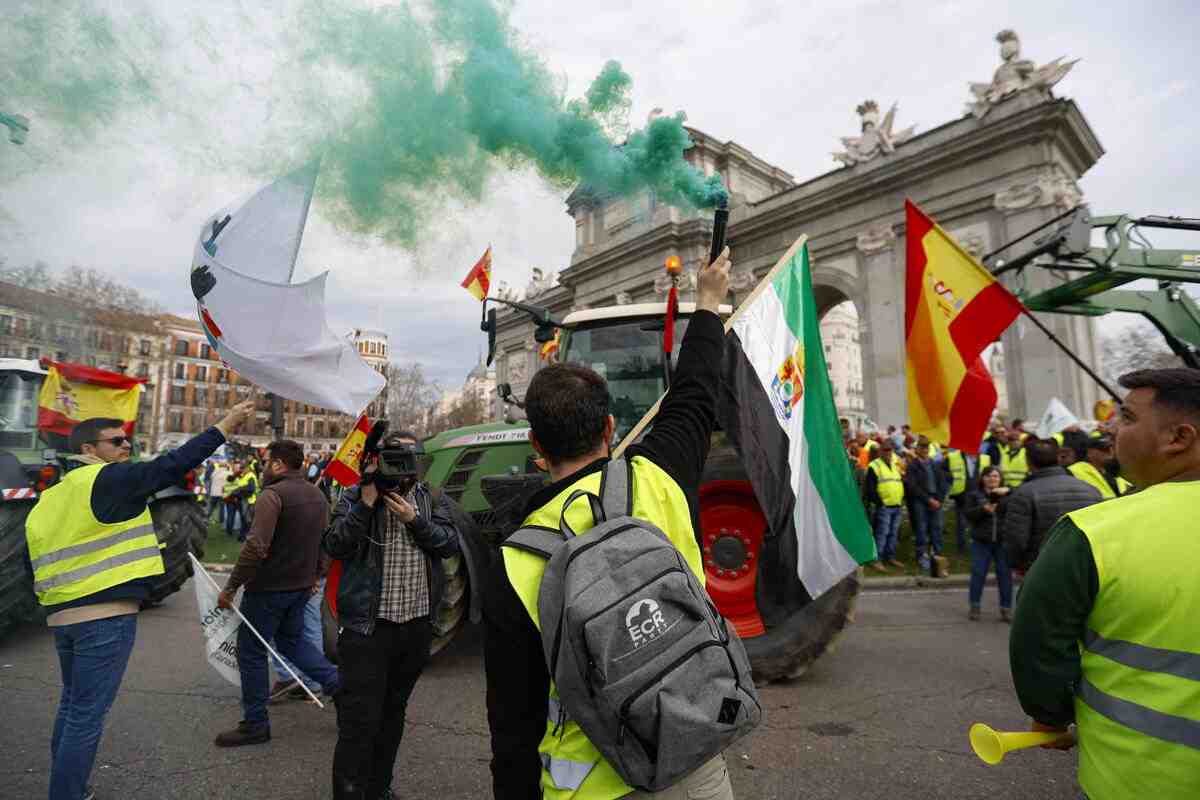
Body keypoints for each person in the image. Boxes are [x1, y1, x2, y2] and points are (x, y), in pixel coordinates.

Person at [485, 248, 734, 800]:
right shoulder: (658, 476)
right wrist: (709, 304)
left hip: (590, 784)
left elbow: (513, 718)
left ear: (535, 447)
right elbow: (694, 391)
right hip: (691, 754)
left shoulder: (513, 556)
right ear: (611, 426)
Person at [25, 400, 256, 800]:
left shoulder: (51, 496)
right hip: (104, 616)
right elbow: (170, 464)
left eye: (128, 439)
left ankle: (65, 788)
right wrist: (224, 425)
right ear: (88, 450)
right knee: (85, 716)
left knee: (73, 708)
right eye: (116, 441)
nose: (126, 446)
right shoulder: (107, 479)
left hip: (63, 616)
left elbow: (32, 562)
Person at [1010, 368, 1200, 799]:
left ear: (1179, 438)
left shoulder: (1090, 533)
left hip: (1135, 782)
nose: (1111, 428)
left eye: (1128, 418)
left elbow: (1037, 643)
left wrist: (1050, 718)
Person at [323, 429, 462, 800]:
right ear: (377, 461)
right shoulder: (354, 496)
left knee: (392, 716)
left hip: (414, 628)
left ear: (419, 464)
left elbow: (449, 544)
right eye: (392, 461)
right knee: (358, 722)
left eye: (407, 462)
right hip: (366, 631)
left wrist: (416, 520)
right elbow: (335, 545)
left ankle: (378, 789)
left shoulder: (431, 498)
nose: (399, 471)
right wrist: (366, 504)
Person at [214, 439, 340, 747]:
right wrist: (316, 575)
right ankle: (341, 685)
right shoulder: (317, 495)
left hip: (269, 588)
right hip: (300, 587)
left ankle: (255, 724)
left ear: (279, 465)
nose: (263, 467)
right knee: (292, 642)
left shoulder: (272, 495)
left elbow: (256, 546)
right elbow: (327, 541)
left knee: (251, 651)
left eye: (267, 461)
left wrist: (231, 586)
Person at [1002, 438, 1101, 574]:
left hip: (1040, 568)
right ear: (1058, 458)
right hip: (1083, 566)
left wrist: (1018, 564)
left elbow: (1016, 540)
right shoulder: (1091, 490)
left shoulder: (1024, 493)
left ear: (1028, 462)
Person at [963, 466, 1012, 621]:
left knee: (1005, 575)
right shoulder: (974, 495)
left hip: (1002, 541)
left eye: (996, 476)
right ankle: (975, 606)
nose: (992, 479)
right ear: (982, 478)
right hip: (981, 541)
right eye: (989, 476)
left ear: (1001, 479)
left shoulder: (1008, 495)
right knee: (978, 573)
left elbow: (1015, 513)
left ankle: (1006, 609)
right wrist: (983, 510)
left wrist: (1006, 496)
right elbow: (968, 515)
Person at [903, 438, 951, 571]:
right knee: (921, 529)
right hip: (921, 501)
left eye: (926, 448)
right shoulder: (912, 466)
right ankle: (922, 556)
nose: (924, 450)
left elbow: (942, 482)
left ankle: (937, 556)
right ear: (917, 449)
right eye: (922, 447)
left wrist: (939, 500)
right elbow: (912, 486)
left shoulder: (935, 464)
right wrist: (928, 500)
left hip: (936, 500)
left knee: (937, 528)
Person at [864, 439, 905, 572]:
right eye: (885, 450)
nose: (888, 452)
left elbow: (899, 481)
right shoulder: (874, 466)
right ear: (880, 451)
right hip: (885, 506)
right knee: (882, 533)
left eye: (890, 450)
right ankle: (877, 559)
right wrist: (879, 503)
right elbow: (870, 489)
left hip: (897, 505)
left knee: (893, 533)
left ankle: (890, 556)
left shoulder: (894, 465)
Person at [946, 446, 991, 552]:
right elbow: (944, 473)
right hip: (962, 495)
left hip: (979, 496)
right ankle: (962, 547)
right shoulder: (953, 457)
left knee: (979, 521)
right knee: (961, 523)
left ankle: (979, 544)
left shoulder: (986, 458)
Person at [1067, 436, 1132, 500]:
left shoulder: (1116, 467)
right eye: (1104, 449)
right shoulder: (1075, 470)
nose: (1109, 452)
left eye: (1111, 448)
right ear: (1090, 453)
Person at [207, 460, 229, 525]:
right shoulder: (227, 473)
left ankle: (207, 517)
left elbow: (211, 478)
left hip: (213, 492)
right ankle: (221, 521)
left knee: (211, 507)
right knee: (222, 508)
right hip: (221, 493)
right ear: (225, 466)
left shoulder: (214, 472)